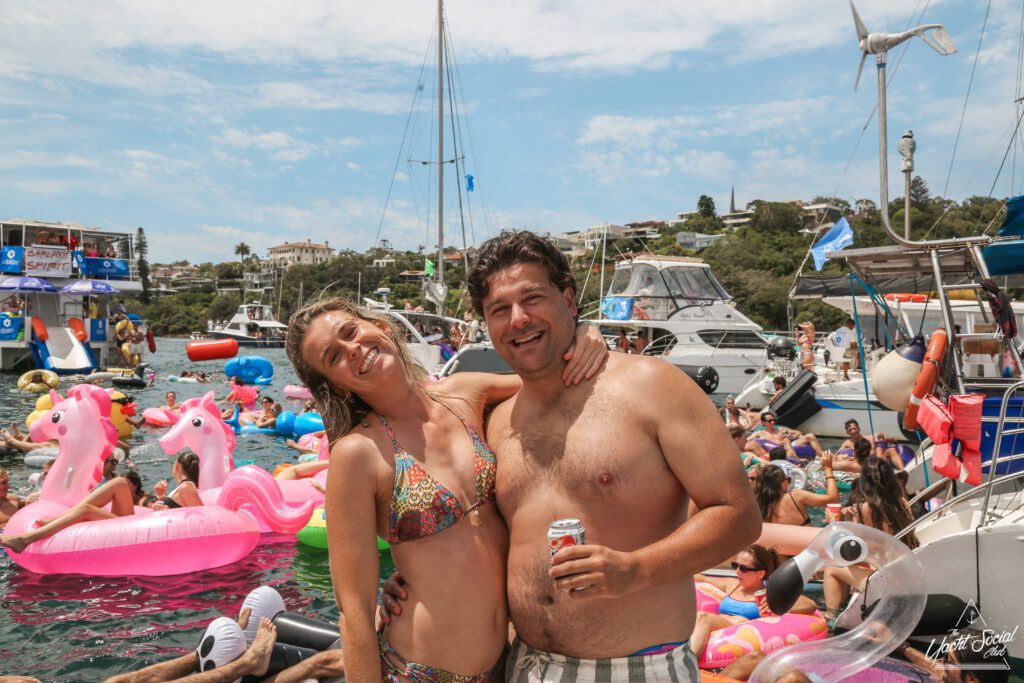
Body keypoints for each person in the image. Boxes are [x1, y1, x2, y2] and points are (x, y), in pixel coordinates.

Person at [466, 231, 759, 676]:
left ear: (568, 299)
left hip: (638, 669)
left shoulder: (653, 386)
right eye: (499, 310)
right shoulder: (497, 421)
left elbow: (739, 515)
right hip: (524, 665)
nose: (518, 319)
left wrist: (635, 570)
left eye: (533, 299)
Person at [285, 292, 609, 682]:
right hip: (420, 672)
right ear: (337, 387)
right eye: (334, 357)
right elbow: (353, 608)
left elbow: (553, 379)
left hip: (507, 666)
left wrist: (586, 332)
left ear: (381, 327)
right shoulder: (358, 453)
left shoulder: (466, 393)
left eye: (351, 332)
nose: (351, 350)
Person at [0, 453, 202, 553]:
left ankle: (25, 539)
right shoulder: (182, 488)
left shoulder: (186, 487)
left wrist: (166, 510)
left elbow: (202, 519)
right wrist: (160, 499)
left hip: (137, 530)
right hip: (138, 523)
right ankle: (61, 517)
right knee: (121, 482)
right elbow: (178, 511)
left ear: (176, 466)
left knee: (87, 510)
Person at [823, 458, 918, 619]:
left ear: (864, 482)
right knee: (844, 567)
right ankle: (843, 609)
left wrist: (834, 521)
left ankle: (830, 617)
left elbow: (853, 551)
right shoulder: (902, 504)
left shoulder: (865, 509)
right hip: (906, 574)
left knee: (831, 569)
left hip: (886, 581)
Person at [689, 545, 818, 660]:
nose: (737, 571)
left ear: (761, 573)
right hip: (715, 627)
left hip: (738, 630)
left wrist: (776, 605)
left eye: (743, 568)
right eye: (736, 566)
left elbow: (810, 604)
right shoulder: (732, 585)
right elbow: (702, 578)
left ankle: (687, 664)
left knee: (702, 617)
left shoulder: (770, 593)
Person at [755, 455, 837, 526]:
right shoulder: (796, 496)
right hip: (805, 542)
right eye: (788, 479)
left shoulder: (757, 502)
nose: (789, 482)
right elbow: (833, 499)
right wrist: (828, 469)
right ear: (781, 483)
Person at [840, 419, 904, 470]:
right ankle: (883, 472)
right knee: (879, 450)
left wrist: (884, 438)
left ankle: (903, 471)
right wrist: (845, 458)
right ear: (847, 432)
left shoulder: (871, 438)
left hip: (877, 459)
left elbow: (895, 441)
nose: (853, 431)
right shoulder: (847, 443)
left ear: (859, 428)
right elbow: (836, 455)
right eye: (850, 430)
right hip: (864, 464)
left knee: (889, 449)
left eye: (854, 428)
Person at [755, 411, 822, 459]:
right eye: (770, 421)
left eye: (773, 420)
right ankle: (799, 460)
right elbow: (747, 440)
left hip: (789, 445)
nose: (772, 422)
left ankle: (821, 455)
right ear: (763, 422)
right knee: (786, 442)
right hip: (778, 450)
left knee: (811, 436)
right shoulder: (759, 433)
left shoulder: (780, 429)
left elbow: (798, 432)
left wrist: (792, 436)